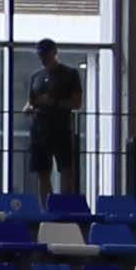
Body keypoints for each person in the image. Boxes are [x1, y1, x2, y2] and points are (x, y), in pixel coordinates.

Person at [25, 41, 87, 205]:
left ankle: (66, 207)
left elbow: (76, 103)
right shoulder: (36, 77)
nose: (42, 58)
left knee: (66, 170)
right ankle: (47, 208)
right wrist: (31, 108)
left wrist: (53, 102)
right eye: (40, 55)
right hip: (39, 130)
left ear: (54, 53)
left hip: (61, 129)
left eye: (45, 54)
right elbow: (30, 102)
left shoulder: (69, 74)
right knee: (42, 172)